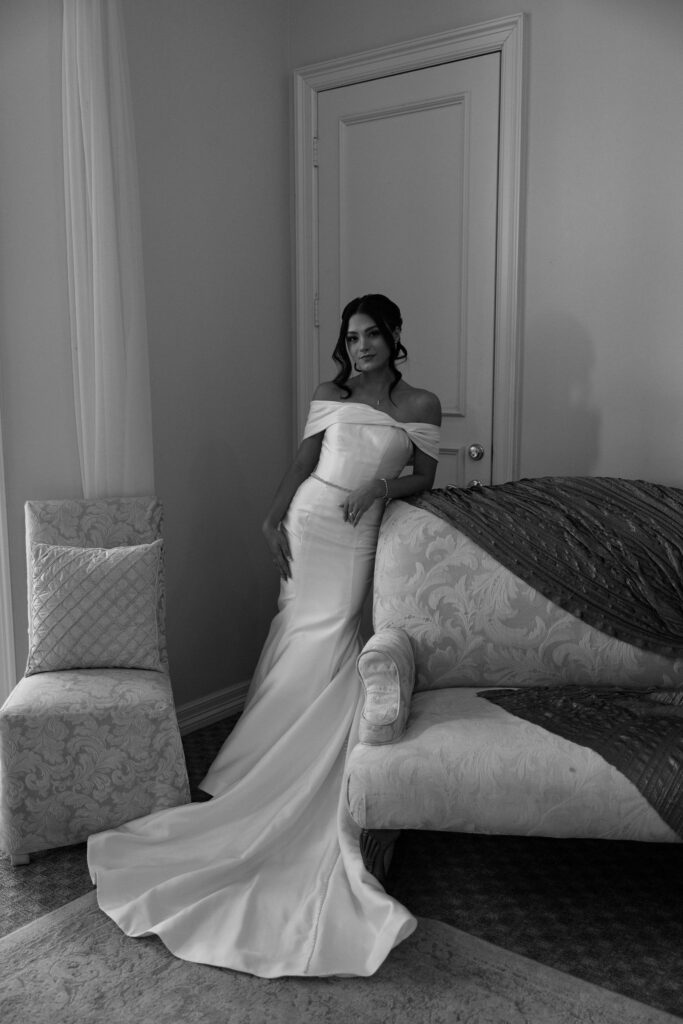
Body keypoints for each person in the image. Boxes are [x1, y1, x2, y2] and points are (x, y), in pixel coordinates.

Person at [87, 293, 441, 978]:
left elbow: (425, 476)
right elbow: (302, 461)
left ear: (394, 336)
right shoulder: (327, 392)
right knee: (297, 633)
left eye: (371, 335)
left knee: (334, 633)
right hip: (312, 524)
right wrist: (271, 516)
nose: (360, 346)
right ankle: (255, 768)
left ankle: (290, 764)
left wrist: (379, 492)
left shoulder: (420, 405)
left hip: (359, 530)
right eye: (351, 336)